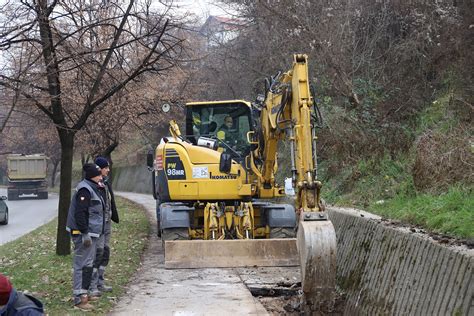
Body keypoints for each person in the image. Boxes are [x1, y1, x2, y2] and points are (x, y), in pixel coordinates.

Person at [66, 163, 105, 311]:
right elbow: (80, 213)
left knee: (87, 265)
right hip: (83, 234)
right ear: (92, 176)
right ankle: (79, 299)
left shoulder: (91, 187)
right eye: (98, 174)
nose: (101, 176)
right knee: (81, 265)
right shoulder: (85, 190)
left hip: (91, 233)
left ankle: (84, 295)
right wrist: (84, 233)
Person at [89, 157, 119, 297]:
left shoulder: (105, 183)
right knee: (97, 253)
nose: (108, 169)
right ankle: (92, 285)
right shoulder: (93, 185)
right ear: (99, 169)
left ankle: (100, 282)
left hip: (106, 224)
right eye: (105, 167)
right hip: (97, 226)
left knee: (105, 252)